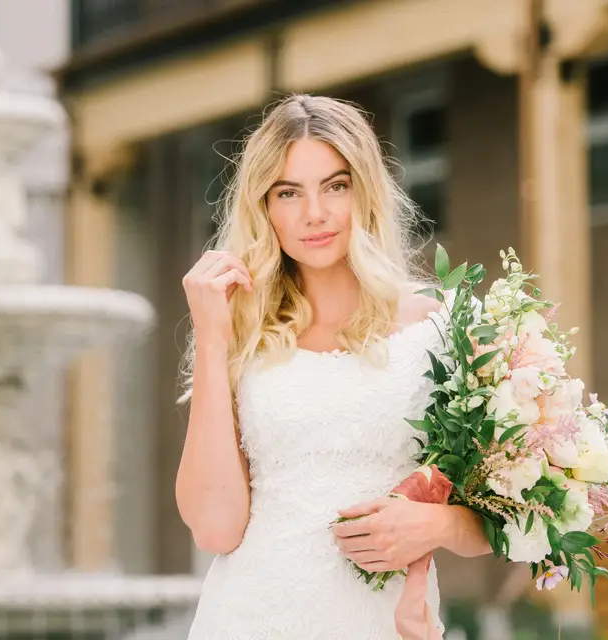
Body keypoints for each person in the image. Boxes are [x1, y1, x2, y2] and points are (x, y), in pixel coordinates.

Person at [176, 94, 490, 639]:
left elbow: (506, 516)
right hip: (250, 617)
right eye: (288, 193)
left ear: (364, 191)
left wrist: (436, 523)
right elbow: (215, 527)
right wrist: (210, 339)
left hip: (384, 623)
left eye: (335, 186)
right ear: (264, 207)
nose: (314, 213)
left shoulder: (444, 327)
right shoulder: (240, 335)